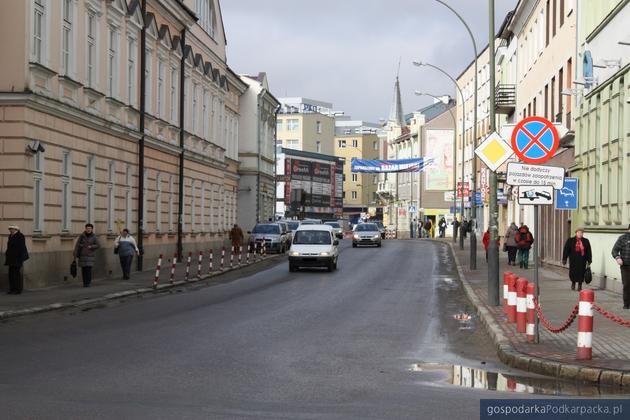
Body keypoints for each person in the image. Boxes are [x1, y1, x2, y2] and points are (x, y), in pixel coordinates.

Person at [5, 225, 29, 294]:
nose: (10, 230)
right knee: (11, 274)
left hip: (17, 259)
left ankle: (18, 290)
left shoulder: (20, 236)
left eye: (11, 229)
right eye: (10, 229)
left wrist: (19, 258)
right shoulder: (10, 236)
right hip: (10, 258)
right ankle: (12, 289)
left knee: (16, 274)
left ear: (16, 229)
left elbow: (21, 247)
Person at [611, 224, 630, 309]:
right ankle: (626, 304)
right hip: (626, 266)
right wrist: (618, 258)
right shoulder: (622, 238)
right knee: (627, 284)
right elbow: (614, 250)